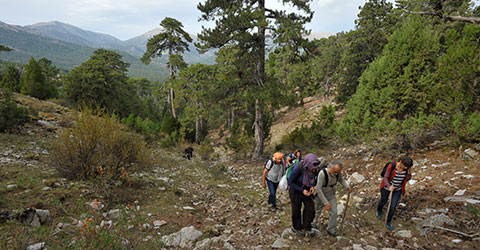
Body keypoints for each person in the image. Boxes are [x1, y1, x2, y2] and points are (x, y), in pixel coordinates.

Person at [312, 160, 352, 237]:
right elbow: (318, 189)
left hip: (331, 194)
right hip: (321, 195)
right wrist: (326, 203)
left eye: (338, 171)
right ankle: (313, 224)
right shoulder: (322, 174)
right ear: (331, 167)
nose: (337, 173)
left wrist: (347, 187)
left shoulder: (337, 173)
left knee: (334, 212)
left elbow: (341, 179)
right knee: (317, 210)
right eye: (335, 171)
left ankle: (331, 229)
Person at [287, 153, 321, 237]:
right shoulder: (298, 168)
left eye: (315, 167)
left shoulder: (315, 169)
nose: (314, 169)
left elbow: (314, 179)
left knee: (311, 209)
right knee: (296, 210)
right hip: (296, 190)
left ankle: (307, 227)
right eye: (313, 168)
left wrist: (313, 187)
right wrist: (302, 190)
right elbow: (290, 182)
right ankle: (297, 228)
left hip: (308, 190)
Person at [376, 156, 413, 231]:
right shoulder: (391, 166)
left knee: (393, 206)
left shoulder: (406, 169)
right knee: (384, 200)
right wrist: (389, 186)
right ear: (401, 162)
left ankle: (388, 222)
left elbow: (407, 179)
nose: (406, 168)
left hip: (397, 189)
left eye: (407, 167)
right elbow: (385, 178)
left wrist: (409, 174)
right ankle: (379, 211)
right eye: (405, 166)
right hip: (386, 187)